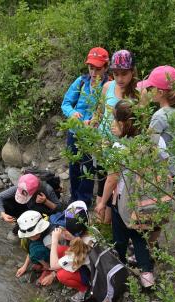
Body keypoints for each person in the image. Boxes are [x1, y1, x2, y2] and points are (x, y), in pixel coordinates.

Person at [95, 100, 155, 288]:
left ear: (123, 124)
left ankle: (118, 268)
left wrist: (102, 203)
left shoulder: (120, 148)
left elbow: (112, 179)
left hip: (124, 201)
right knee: (140, 237)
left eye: (114, 121)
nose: (112, 125)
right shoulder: (152, 141)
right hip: (147, 200)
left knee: (120, 237)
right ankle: (147, 277)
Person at [137, 66, 175, 249]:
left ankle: (149, 244)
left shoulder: (159, 116)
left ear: (159, 92)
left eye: (150, 89)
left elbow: (149, 145)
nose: (147, 92)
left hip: (169, 169)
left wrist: (141, 109)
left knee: (161, 205)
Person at [94, 49, 139, 224]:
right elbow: (100, 110)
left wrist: (123, 131)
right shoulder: (107, 87)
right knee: (103, 179)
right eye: (116, 74)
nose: (120, 78)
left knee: (119, 186)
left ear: (132, 71)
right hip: (104, 143)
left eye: (124, 74)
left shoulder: (138, 93)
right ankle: (103, 219)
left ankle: (118, 221)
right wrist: (94, 122)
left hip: (123, 147)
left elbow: (140, 125)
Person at [61, 47, 109, 206]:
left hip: (94, 135)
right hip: (75, 131)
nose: (94, 72)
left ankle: (84, 201)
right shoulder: (81, 81)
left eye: (98, 69)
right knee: (74, 167)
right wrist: (72, 113)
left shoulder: (108, 86)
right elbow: (66, 103)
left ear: (106, 67)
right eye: (91, 68)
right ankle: (74, 198)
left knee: (89, 168)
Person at [49, 201, 95, 302]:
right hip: (93, 263)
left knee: (61, 275)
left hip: (92, 275)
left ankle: (85, 290)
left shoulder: (79, 248)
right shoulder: (91, 231)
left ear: (69, 233)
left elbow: (53, 266)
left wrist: (54, 240)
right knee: (60, 250)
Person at [0, 173, 61, 238]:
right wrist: (2, 214)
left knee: (20, 230)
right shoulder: (22, 186)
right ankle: (18, 221)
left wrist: (45, 201)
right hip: (27, 206)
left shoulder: (47, 189)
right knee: (5, 203)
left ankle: (22, 227)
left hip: (40, 211)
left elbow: (59, 209)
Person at [15, 211, 55, 286]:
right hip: (44, 249)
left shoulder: (52, 233)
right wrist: (24, 266)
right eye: (30, 236)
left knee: (35, 251)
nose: (32, 237)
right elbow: (30, 251)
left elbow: (62, 254)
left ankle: (48, 267)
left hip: (55, 252)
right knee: (31, 247)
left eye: (34, 234)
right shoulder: (30, 237)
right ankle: (43, 264)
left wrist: (53, 273)